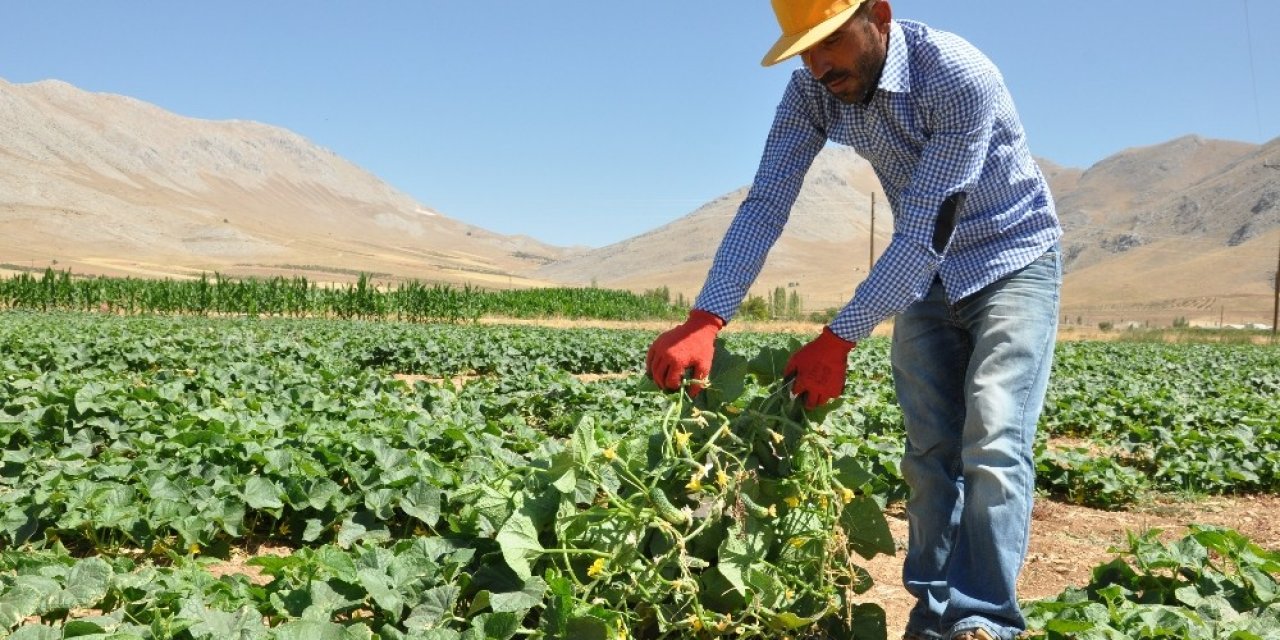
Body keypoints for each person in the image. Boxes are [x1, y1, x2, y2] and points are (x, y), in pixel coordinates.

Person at [645, 1, 1063, 639]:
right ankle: (933, 617)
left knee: (996, 436)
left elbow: (927, 226)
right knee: (928, 452)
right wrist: (707, 316)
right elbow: (768, 199)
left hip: (1012, 259)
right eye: (804, 50)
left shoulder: (955, 74)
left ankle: (984, 621)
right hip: (927, 275)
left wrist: (838, 338)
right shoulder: (813, 89)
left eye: (830, 43)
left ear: (880, 17)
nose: (818, 65)